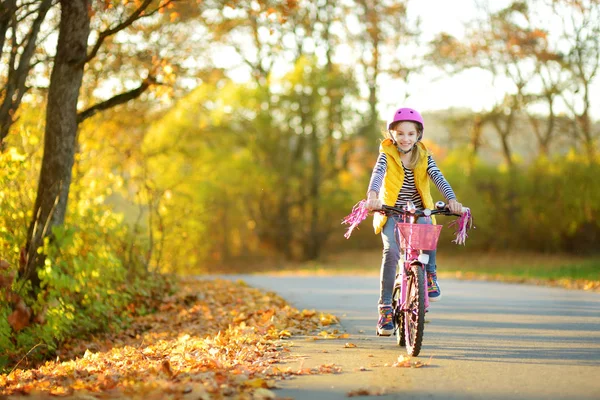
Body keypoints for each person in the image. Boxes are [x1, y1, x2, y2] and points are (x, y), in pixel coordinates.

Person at [364, 107, 463, 337]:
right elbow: (378, 175)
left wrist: (452, 200)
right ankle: (386, 309)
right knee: (391, 252)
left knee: (429, 232)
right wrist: (372, 196)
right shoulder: (386, 155)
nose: (405, 138)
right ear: (392, 135)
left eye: (410, 133)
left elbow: (439, 177)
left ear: (418, 135)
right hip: (391, 211)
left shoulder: (424, 156)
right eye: (400, 133)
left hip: (420, 211)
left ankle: (429, 275)